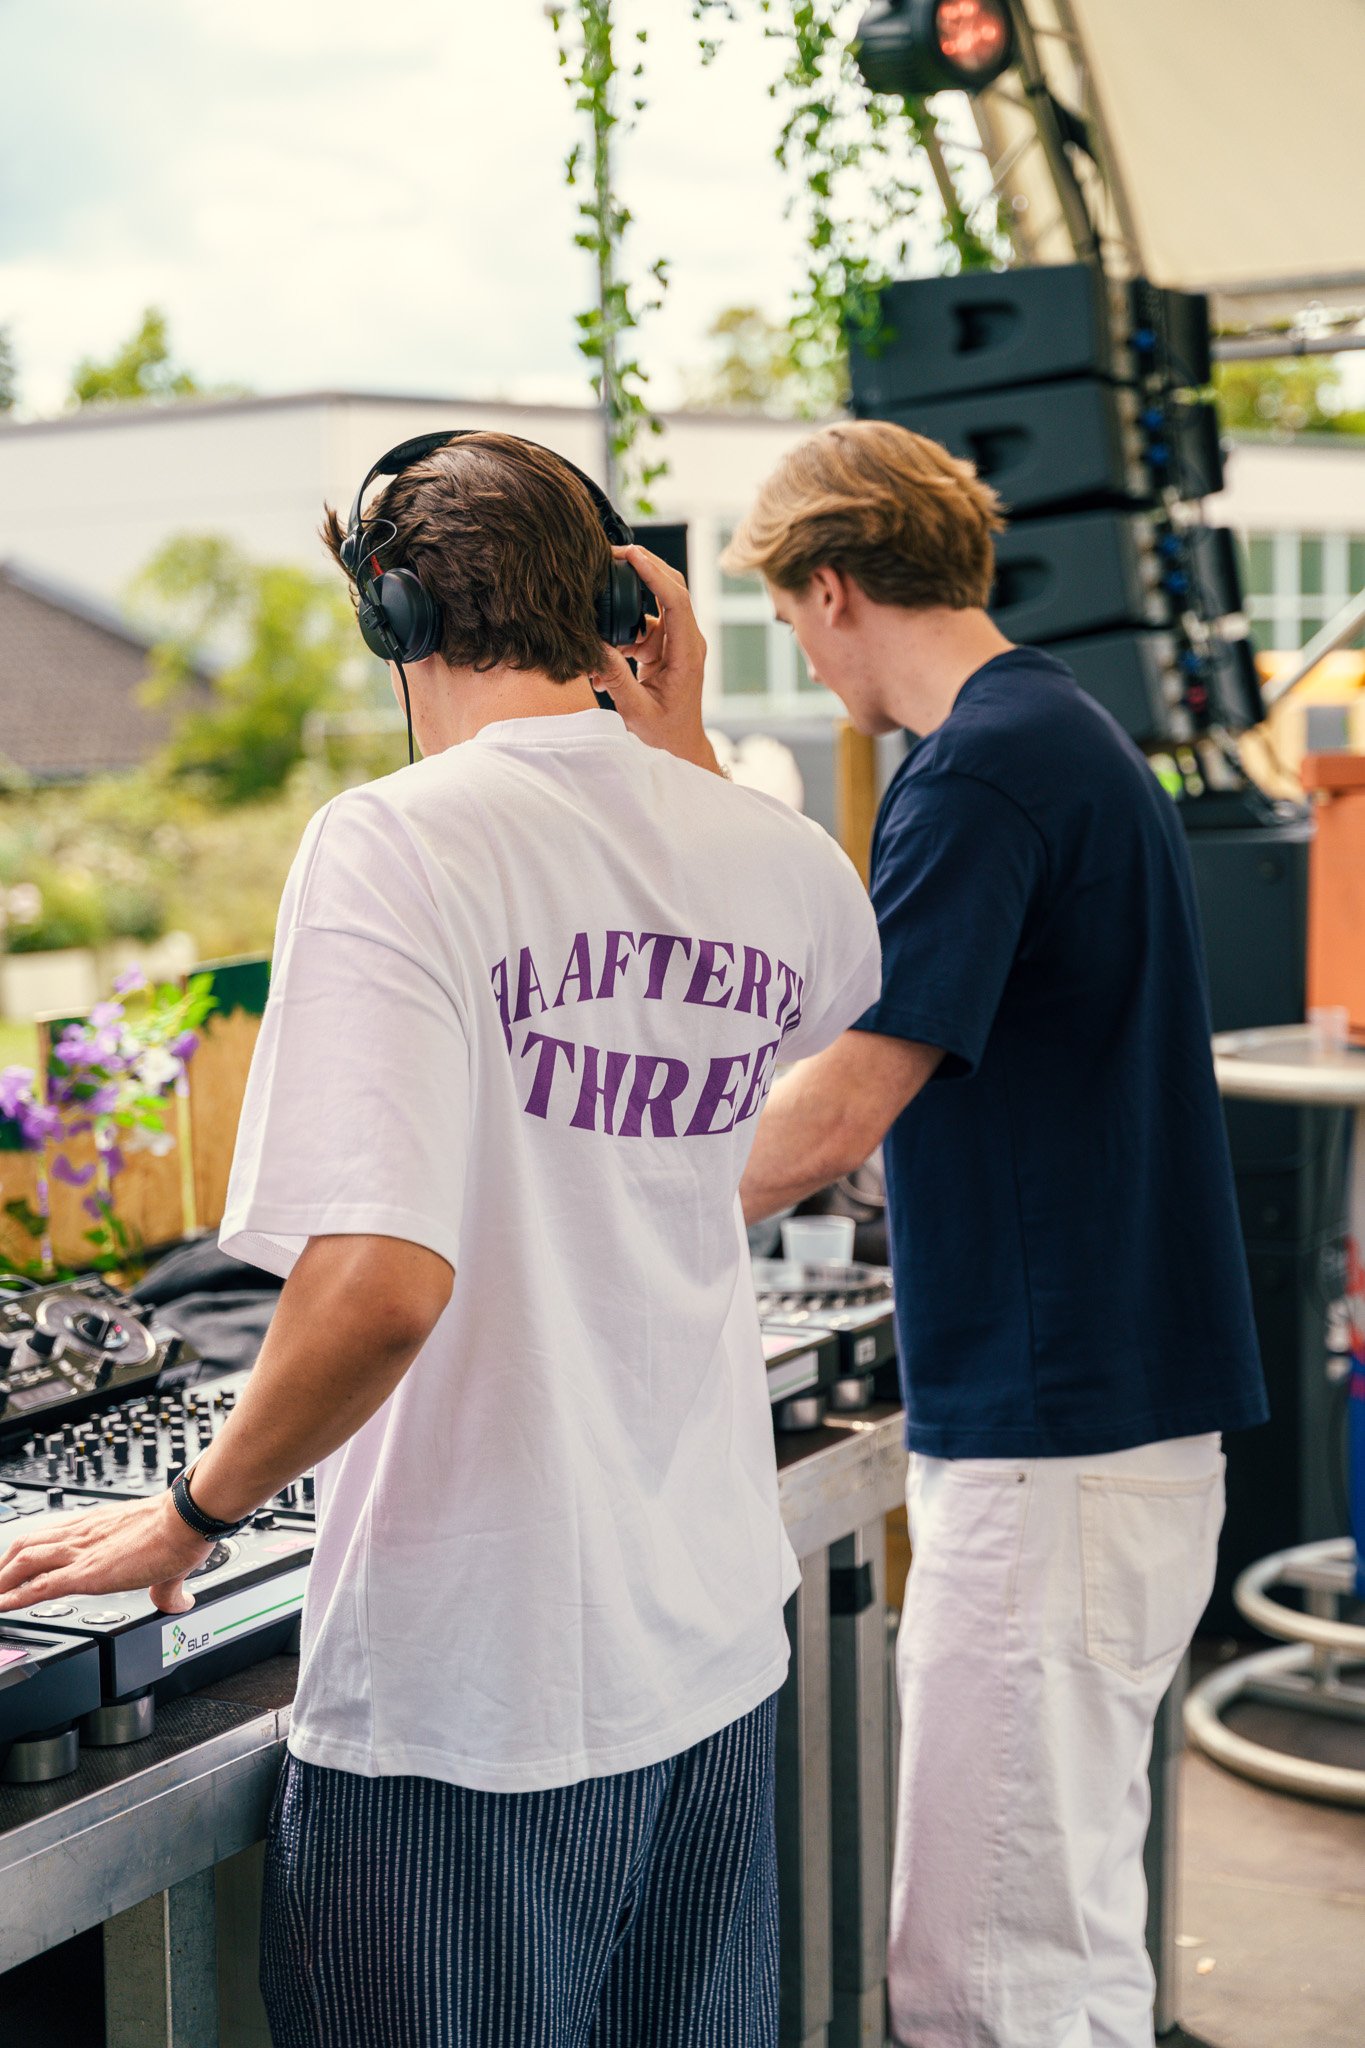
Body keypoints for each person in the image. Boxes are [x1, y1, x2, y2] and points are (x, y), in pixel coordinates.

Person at [0, 431, 881, 2048]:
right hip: (706, 1654)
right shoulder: (783, 862)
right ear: (616, 601)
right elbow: (803, 988)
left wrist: (189, 1515)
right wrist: (670, 736)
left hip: (477, 1696)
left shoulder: (396, 842)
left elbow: (384, 1285)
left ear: (394, 616)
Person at [727, 420, 1268, 2048]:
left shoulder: (974, 770)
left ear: (829, 589)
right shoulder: (1060, 730)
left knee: (985, 1981)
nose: (806, 659)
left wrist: (591, 1217)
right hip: (1108, 1437)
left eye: (789, 621)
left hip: (1054, 1453)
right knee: (1065, 1944)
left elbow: (836, 1113)